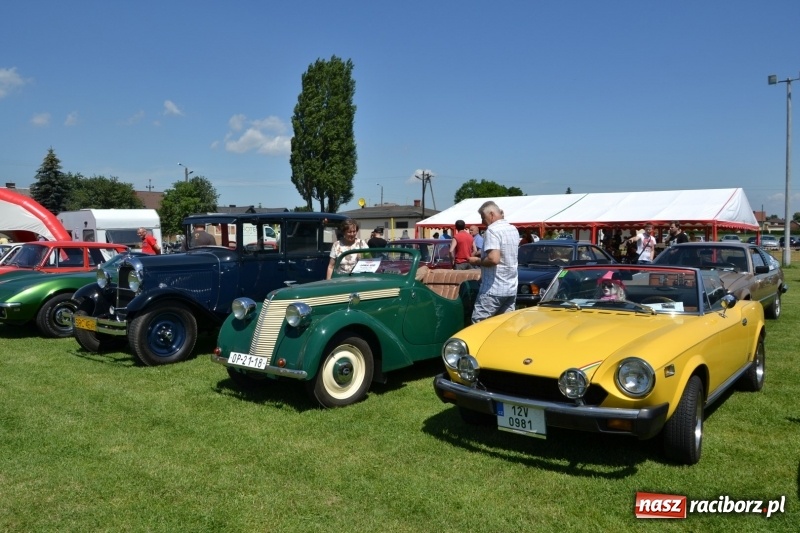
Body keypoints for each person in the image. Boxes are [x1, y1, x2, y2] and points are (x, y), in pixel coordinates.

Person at [467, 201, 519, 323]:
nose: (482, 222)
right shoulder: (512, 229)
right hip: (511, 287)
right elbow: (505, 252)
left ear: (491, 215)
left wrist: (477, 261)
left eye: (483, 217)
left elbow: (494, 259)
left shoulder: (492, 230)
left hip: (493, 288)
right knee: (505, 325)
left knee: (479, 323)